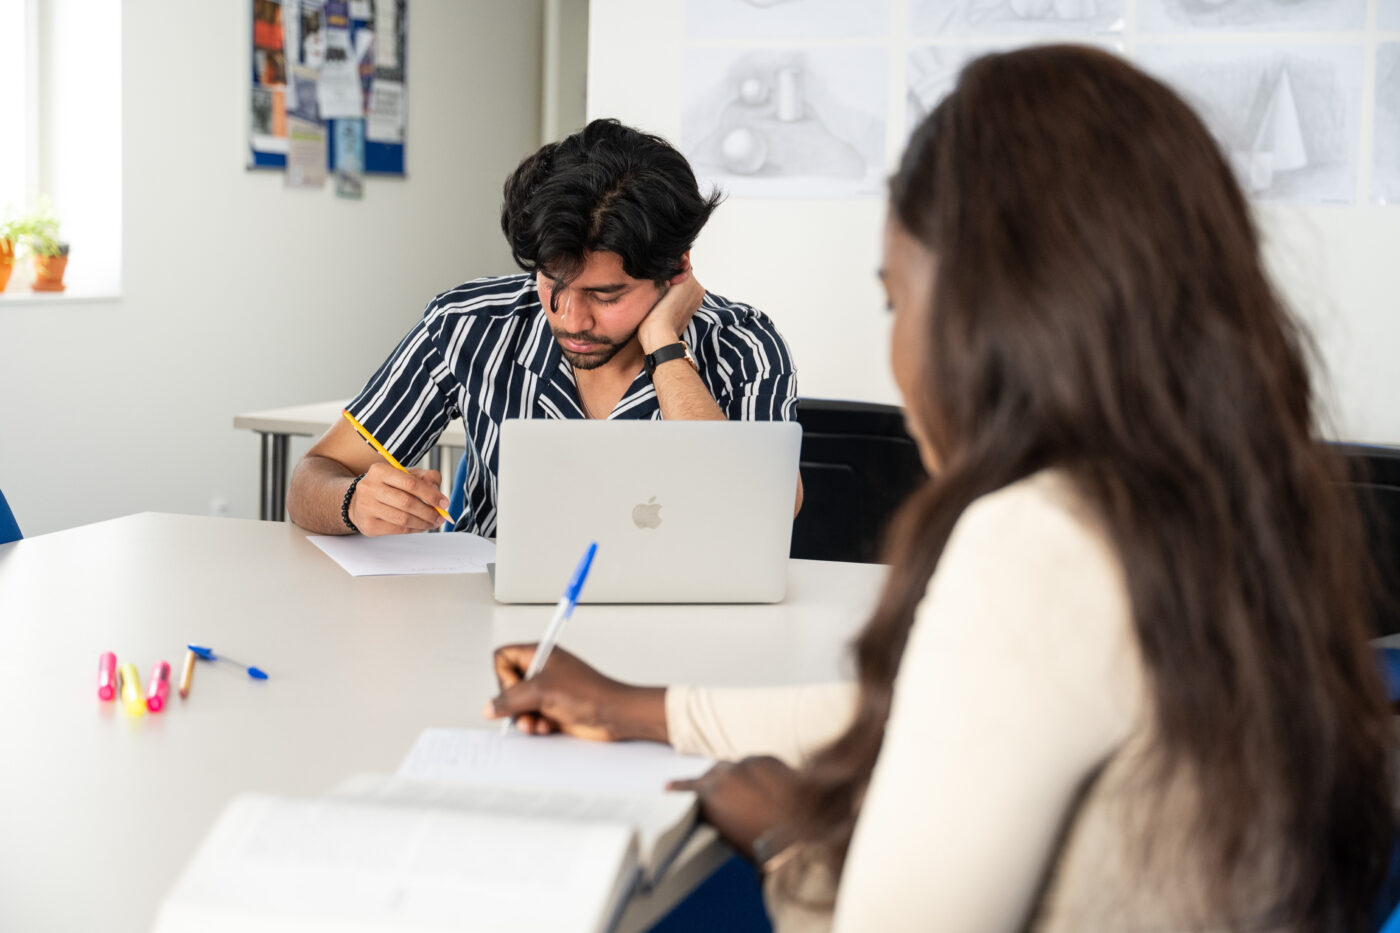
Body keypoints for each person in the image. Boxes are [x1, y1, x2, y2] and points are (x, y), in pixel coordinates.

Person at [482, 46, 1396, 931]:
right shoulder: (1212, 499)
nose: (896, 345)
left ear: (992, 313)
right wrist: (648, 709)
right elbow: (944, 700)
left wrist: (779, 829)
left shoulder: (1036, 543)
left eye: (896, 297)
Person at [287, 119, 799, 537]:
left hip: (689, 630)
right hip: (487, 622)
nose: (572, 319)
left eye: (607, 295)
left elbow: (766, 513)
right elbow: (313, 477)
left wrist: (665, 345)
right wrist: (354, 502)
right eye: (553, 284)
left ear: (677, 269)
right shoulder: (469, 325)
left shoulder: (743, 345)